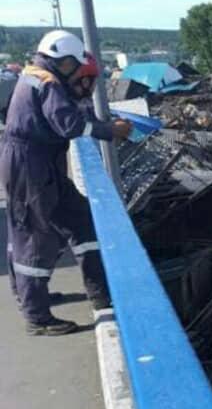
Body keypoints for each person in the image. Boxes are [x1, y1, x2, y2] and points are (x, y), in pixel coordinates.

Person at [0, 31, 132, 335]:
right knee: (33, 234)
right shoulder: (48, 82)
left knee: (79, 218)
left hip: (40, 162)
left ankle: (97, 291)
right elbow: (69, 124)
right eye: (74, 66)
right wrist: (109, 130)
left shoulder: (37, 75)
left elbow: (60, 117)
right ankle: (36, 315)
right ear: (65, 60)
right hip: (30, 164)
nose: (76, 74)